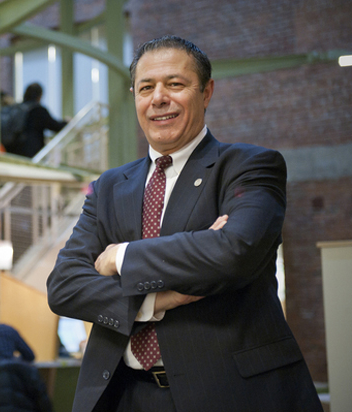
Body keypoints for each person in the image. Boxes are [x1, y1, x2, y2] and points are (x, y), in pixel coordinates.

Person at [46, 35, 323, 412]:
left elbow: (233, 252)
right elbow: (64, 285)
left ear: (206, 92)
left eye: (174, 84)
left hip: (229, 395)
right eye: (146, 87)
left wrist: (121, 256)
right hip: (122, 395)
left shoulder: (248, 166)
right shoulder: (109, 186)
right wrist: (155, 300)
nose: (159, 98)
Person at [4, 83, 67, 158]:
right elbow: (56, 126)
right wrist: (67, 122)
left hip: (12, 152)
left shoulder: (16, 108)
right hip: (30, 154)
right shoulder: (38, 110)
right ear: (39, 96)